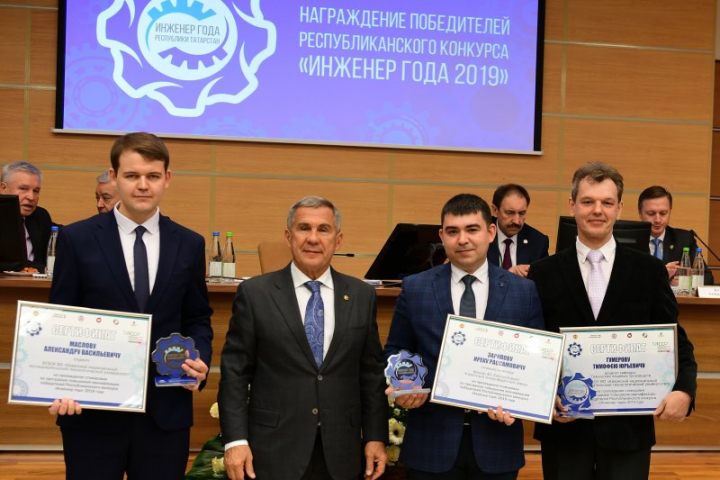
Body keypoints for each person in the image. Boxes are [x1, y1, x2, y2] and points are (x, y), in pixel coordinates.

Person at [47, 132, 214, 480]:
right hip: (92, 412)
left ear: (167, 178)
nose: (142, 185)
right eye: (132, 175)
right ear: (114, 177)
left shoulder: (189, 243)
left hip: (165, 412)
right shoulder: (77, 239)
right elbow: (61, 318)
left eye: (152, 176)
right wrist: (59, 382)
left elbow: (197, 317)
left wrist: (200, 359)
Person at [527, 162, 697, 480]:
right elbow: (533, 347)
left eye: (606, 202)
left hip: (628, 432)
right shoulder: (543, 272)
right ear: (572, 205)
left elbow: (677, 340)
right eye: (588, 201)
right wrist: (543, 398)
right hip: (564, 431)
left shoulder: (649, 271)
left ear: (619, 208)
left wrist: (685, 391)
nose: (597, 210)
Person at [218, 196, 388, 480]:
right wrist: (235, 440)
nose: (313, 238)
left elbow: (370, 374)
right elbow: (235, 373)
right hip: (273, 450)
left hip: (341, 452)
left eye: (323, 229)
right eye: (304, 228)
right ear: (288, 236)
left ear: (338, 240)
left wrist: (375, 436)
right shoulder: (256, 294)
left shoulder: (362, 295)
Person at [384, 193, 544, 480]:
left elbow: (538, 362)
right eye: (453, 231)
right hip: (431, 442)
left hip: (498, 441)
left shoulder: (523, 291)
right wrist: (405, 382)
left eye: (472, 229)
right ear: (441, 236)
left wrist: (521, 401)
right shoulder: (416, 288)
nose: (463, 240)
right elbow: (397, 350)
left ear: (491, 233)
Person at [638, 185, 714, 285]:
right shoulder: (630, 241)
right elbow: (622, 280)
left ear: (670, 212)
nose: (657, 220)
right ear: (640, 213)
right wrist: (663, 275)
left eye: (663, 213)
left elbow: (708, 278)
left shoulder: (684, 239)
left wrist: (685, 282)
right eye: (651, 213)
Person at [0, 161, 53, 271]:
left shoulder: (40, 216)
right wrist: (32, 267)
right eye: (23, 189)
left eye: (36, 191)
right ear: (3, 189)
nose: (31, 197)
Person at [487, 184, 549, 277]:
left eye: (522, 213)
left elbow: (545, 280)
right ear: (495, 211)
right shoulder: (480, 236)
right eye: (510, 213)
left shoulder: (538, 242)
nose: (517, 221)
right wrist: (508, 275)